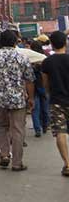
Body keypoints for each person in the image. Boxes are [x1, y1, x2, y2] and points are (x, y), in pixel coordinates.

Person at [0, 30, 35, 171]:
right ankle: (17, 163)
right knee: (17, 130)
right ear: (15, 42)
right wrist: (31, 98)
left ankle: (5, 155)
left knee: (1, 126)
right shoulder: (21, 57)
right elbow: (29, 80)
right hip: (18, 99)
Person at [41, 31, 69, 177]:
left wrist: (50, 93)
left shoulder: (47, 62)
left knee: (60, 132)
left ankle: (67, 164)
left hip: (57, 101)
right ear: (65, 43)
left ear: (51, 44)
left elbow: (45, 84)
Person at [28, 41, 50, 137]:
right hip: (44, 86)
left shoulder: (29, 58)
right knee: (45, 108)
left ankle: (37, 129)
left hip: (33, 86)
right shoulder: (45, 57)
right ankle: (45, 125)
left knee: (35, 109)